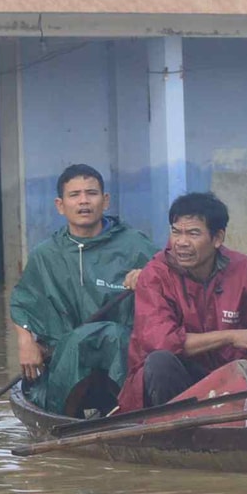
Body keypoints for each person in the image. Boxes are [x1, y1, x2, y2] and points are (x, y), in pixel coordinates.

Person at [9, 164, 153, 417]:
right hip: (66, 362)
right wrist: (25, 342)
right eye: (74, 195)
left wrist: (151, 277)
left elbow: (174, 284)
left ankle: (129, 409)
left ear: (105, 201)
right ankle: (66, 415)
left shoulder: (135, 245)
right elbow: (23, 303)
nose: (84, 201)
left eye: (92, 193)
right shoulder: (46, 255)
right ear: (60, 205)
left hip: (124, 359)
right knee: (74, 348)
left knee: (111, 335)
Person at [118, 191, 247, 412]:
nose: (181, 243)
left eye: (193, 234)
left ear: (217, 238)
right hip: (176, 382)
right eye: (176, 232)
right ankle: (169, 438)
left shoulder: (245, 269)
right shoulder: (155, 275)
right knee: (160, 362)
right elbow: (163, 342)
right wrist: (232, 336)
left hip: (232, 383)